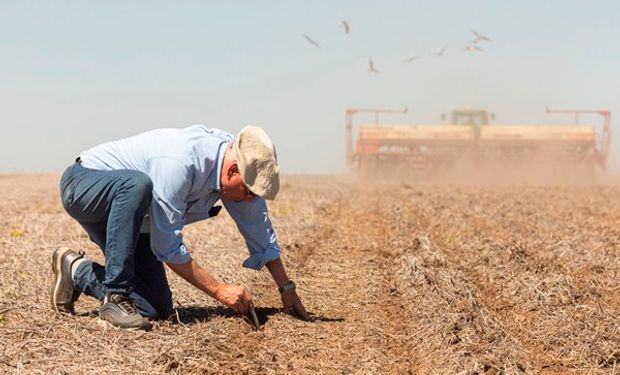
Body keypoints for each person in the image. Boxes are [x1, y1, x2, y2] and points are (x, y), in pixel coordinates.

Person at [51, 125, 308, 330]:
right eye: (249, 193)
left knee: (154, 308)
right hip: (84, 185)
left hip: (132, 216)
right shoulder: (180, 162)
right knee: (136, 186)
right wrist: (221, 290)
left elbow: (259, 231)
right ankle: (115, 299)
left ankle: (76, 271)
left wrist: (286, 288)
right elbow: (167, 245)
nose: (250, 200)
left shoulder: (242, 171)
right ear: (232, 172)